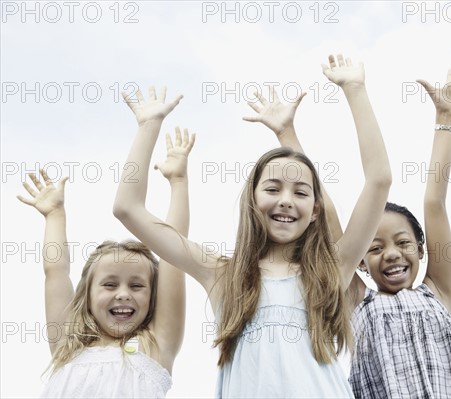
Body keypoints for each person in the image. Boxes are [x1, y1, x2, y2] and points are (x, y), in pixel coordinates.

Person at [113, 54, 391, 397]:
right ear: (252, 200)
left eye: (300, 192)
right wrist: (148, 126)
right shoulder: (221, 274)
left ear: (315, 210)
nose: (286, 200)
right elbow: (127, 208)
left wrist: (355, 89)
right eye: (273, 188)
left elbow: (379, 180)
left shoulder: (332, 269)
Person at [18, 128, 194, 398]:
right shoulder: (68, 347)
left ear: (153, 297)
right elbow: (55, 271)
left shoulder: (156, 346)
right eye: (110, 284)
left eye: (137, 286)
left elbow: (175, 254)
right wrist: (54, 216)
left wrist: (179, 181)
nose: (123, 294)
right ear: (86, 296)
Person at [346, 70, 451, 398]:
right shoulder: (356, 303)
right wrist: (288, 135)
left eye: (402, 242)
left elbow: (434, 202)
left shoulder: (437, 292)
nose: (392, 254)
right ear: (360, 262)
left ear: (421, 248)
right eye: (375, 248)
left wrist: (445, 120)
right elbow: (322, 217)